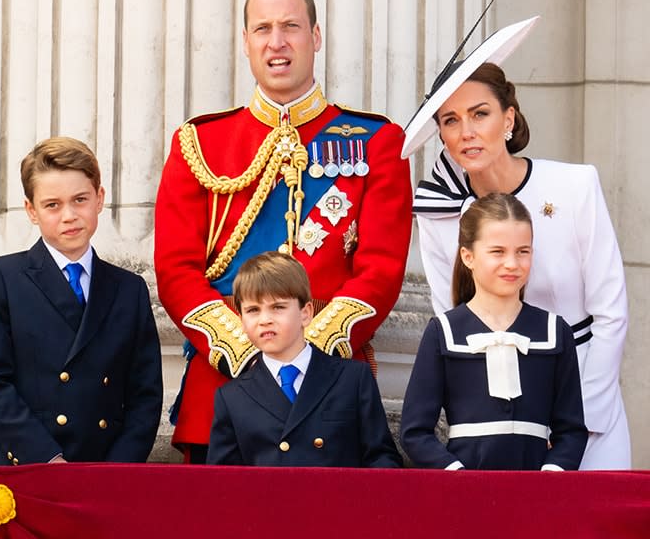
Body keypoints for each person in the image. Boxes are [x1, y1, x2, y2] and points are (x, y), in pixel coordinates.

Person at [154, 0, 413, 462]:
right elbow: (175, 270)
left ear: (315, 37)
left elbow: (380, 270)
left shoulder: (378, 141)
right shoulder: (199, 143)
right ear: (246, 43)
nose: (277, 42)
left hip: (331, 392)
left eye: (291, 26)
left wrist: (304, 353)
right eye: (263, 28)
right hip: (225, 386)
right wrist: (249, 350)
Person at [409, 62, 630, 469]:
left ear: (508, 117)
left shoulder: (575, 186)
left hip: (583, 386)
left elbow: (611, 313)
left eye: (480, 114)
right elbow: (451, 315)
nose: (467, 132)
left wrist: (584, 420)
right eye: (451, 120)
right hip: (498, 411)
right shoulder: (437, 212)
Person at [0, 137, 163, 465]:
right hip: (25, 467)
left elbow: (145, 395)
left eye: (80, 200)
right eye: (52, 205)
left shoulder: (129, 289)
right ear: (31, 210)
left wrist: (114, 471)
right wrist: (48, 459)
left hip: (103, 473)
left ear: (99, 199)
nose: (69, 215)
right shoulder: (0, 278)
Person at [401, 193, 587, 470]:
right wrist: (456, 474)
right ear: (468, 256)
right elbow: (414, 432)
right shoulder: (443, 331)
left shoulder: (555, 331)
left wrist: (552, 474)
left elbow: (571, 430)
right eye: (498, 252)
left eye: (523, 251)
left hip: (537, 494)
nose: (512, 263)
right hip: (463, 494)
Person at [207, 252, 402, 467]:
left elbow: (382, 460)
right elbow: (223, 483)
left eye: (278, 307)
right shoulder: (232, 397)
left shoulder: (353, 379)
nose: (265, 320)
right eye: (253, 310)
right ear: (241, 320)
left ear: (305, 313)